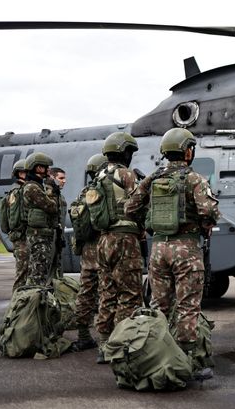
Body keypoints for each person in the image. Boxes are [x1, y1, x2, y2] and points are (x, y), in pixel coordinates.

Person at [126, 128, 220, 380]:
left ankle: (155, 357)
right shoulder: (194, 179)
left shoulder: (153, 179)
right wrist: (204, 224)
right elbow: (208, 212)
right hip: (186, 250)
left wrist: (146, 224)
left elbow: (130, 206)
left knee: (159, 305)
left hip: (158, 250)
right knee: (188, 306)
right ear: (187, 151)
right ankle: (188, 362)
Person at [94, 132, 144, 364]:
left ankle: (104, 343)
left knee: (107, 291)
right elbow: (138, 203)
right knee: (130, 292)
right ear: (124, 152)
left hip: (104, 240)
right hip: (124, 238)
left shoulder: (99, 175)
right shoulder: (126, 174)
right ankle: (121, 344)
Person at [70, 154, 108, 351]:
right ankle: (104, 342)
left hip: (87, 252)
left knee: (85, 294)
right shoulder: (104, 191)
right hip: (103, 249)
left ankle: (83, 335)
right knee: (105, 295)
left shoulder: (83, 193)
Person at [22, 152, 60, 287]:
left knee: (41, 272)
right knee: (38, 274)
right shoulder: (32, 187)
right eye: (45, 167)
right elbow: (51, 207)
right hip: (38, 238)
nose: (48, 171)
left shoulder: (36, 186)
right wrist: (52, 189)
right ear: (38, 168)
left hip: (42, 236)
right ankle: (33, 303)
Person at [0, 159, 28, 291]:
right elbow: (17, 220)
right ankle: (17, 306)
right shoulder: (18, 193)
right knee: (22, 276)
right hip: (23, 239)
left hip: (21, 239)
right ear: (21, 174)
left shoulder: (15, 192)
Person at [47, 166, 68, 280]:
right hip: (48, 238)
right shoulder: (45, 194)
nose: (64, 181)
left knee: (57, 271)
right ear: (52, 177)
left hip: (58, 237)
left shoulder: (60, 197)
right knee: (46, 270)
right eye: (61, 178)